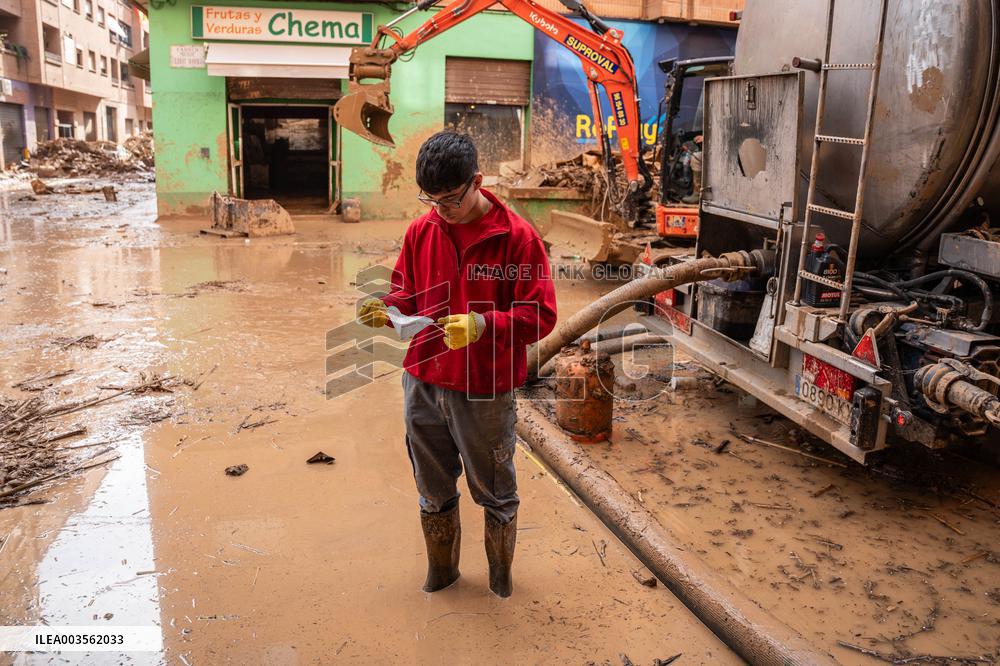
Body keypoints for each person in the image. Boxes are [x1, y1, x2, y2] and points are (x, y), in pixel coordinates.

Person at [357, 131, 557, 598]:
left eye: (451, 199)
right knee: (432, 486)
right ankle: (442, 575)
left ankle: (500, 582)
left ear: (477, 182)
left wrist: (484, 325)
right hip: (423, 379)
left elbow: (541, 316)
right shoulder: (422, 230)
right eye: (431, 199)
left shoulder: (517, 239)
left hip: (485, 387)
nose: (441, 209)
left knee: (495, 491)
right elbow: (408, 293)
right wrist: (385, 308)